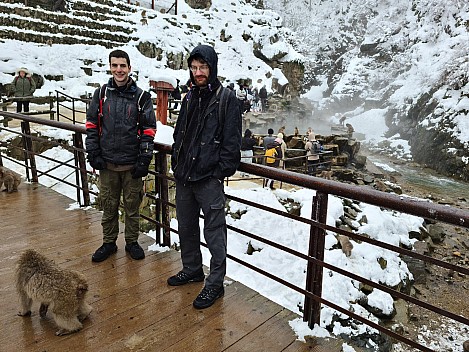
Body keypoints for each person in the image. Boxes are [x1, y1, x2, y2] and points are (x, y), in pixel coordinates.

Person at [168, 44, 242, 309]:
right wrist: (177, 161)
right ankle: (192, 268)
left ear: (212, 68)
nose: (198, 72)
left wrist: (216, 173)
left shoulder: (226, 99)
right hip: (185, 176)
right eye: (195, 67)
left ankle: (215, 284)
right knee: (186, 226)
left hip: (208, 180)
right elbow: (179, 134)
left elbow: (232, 147)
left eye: (203, 67)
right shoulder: (189, 97)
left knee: (214, 234)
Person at [85, 49, 156, 262]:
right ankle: (109, 243)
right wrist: (93, 152)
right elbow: (91, 125)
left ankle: (132, 242)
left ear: (129, 68)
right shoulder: (101, 94)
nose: (119, 70)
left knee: (132, 207)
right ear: (110, 67)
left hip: (131, 164)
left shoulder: (142, 97)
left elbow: (148, 129)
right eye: (115, 65)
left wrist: (144, 158)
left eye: (122, 66)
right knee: (108, 206)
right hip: (107, 163)